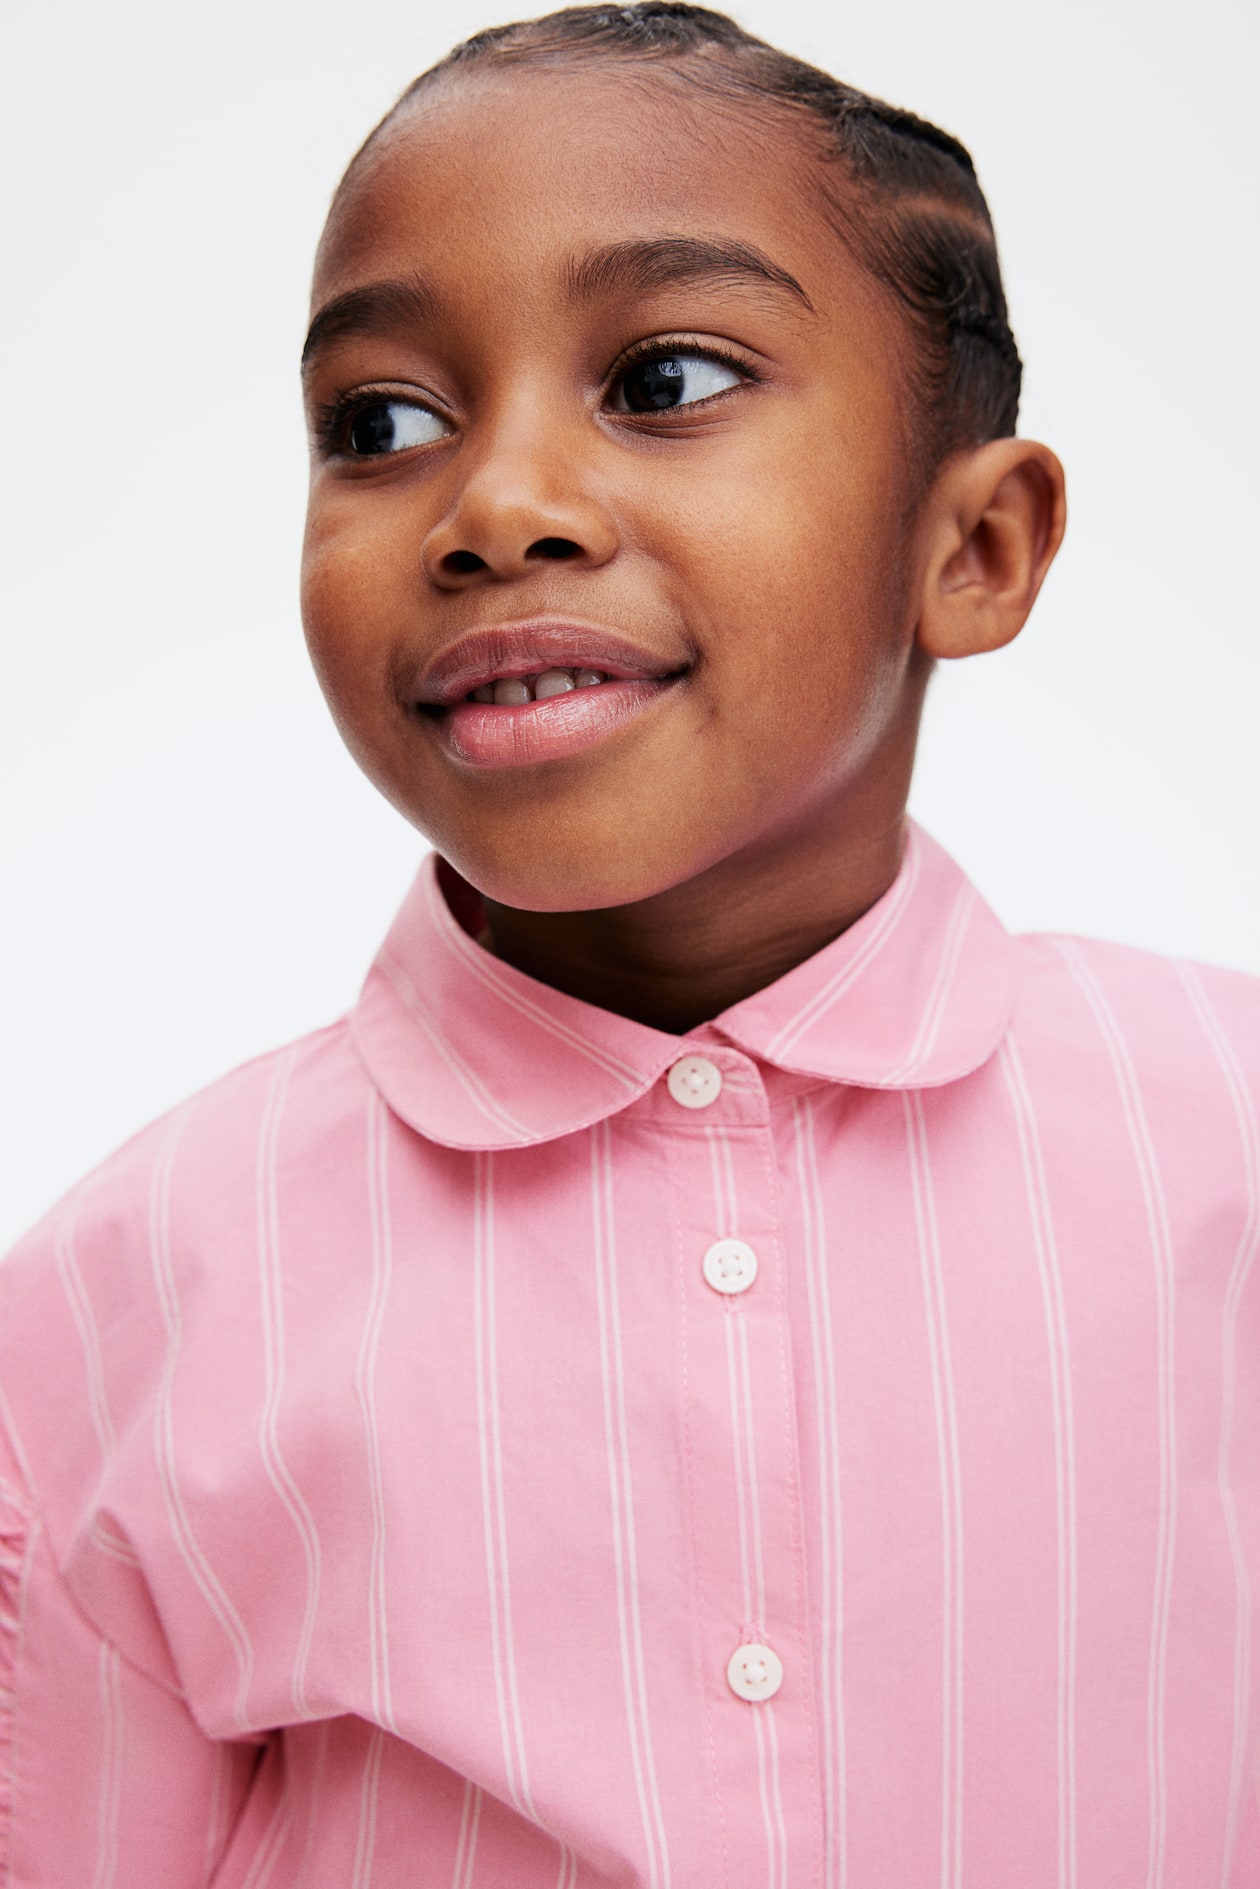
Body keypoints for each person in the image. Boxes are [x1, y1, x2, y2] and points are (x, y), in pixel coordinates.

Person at [1, 3, 1256, 1882]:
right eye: (382, 423)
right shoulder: (119, 1300)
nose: (496, 508)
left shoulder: (1227, 1143)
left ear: (976, 547)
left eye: (664, 379)